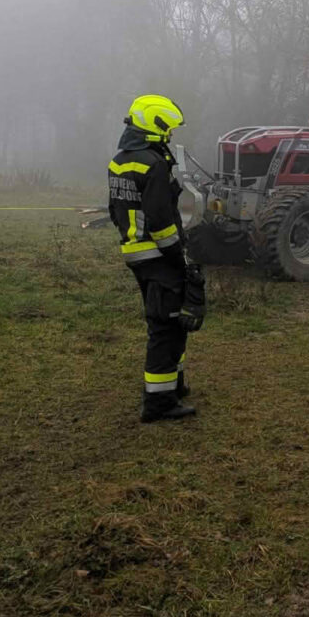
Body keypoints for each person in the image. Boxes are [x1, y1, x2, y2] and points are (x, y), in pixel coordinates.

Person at [108, 94, 204, 423]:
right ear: (155, 126)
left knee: (167, 319)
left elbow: (114, 210)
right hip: (159, 256)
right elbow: (162, 219)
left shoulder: (120, 160)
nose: (170, 136)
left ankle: (173, 385)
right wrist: (181, 258)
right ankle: (159, 403)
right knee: (167, 326)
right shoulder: (154, 163)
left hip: (136, 253)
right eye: (168, 130)